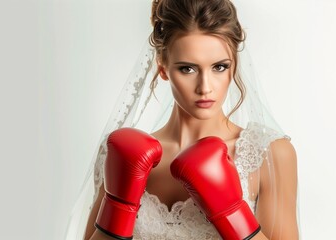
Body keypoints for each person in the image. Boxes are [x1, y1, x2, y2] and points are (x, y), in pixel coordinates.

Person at [66, 0, 299, 239]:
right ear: (163, 68)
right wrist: (118, 207)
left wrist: (231, 213)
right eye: (188, 69)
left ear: (234, 65)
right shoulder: (118, 155)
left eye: (219, 67)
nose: (205, 87)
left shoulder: (268, 153)